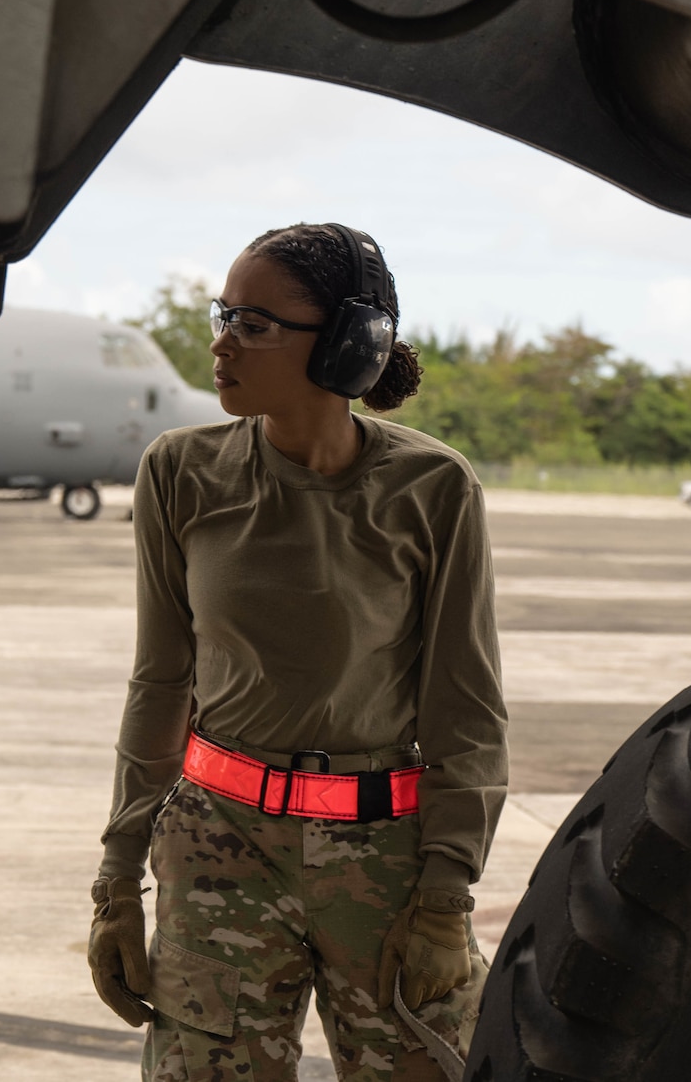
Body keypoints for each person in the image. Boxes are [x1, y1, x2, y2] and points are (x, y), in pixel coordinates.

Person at [87, 223, 507, 1081]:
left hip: (386, 860)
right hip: (218, 848)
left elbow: (466, 707)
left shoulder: (433, 488)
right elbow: (159, 682)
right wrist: (117, 881)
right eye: (223, 314)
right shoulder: (180, 471)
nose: (221, 344)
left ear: (350, 346)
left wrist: (442, 897)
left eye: (255, 323)